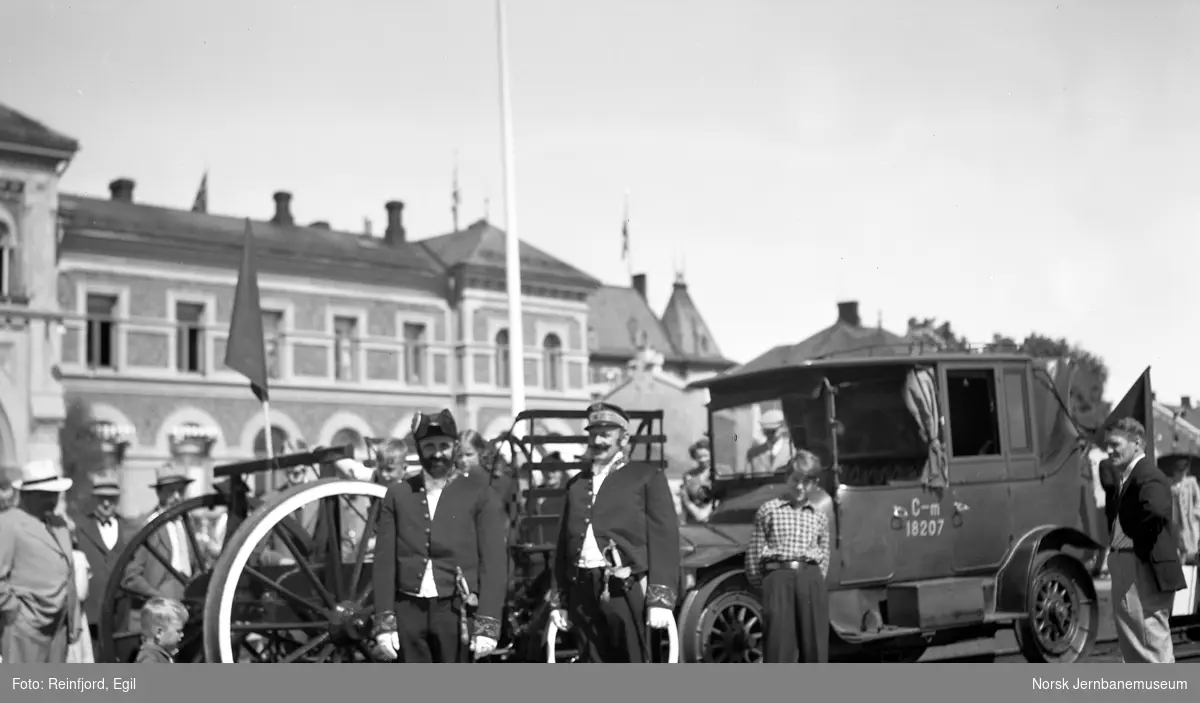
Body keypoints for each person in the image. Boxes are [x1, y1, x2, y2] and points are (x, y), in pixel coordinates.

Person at [549, 402, 681, 663]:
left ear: (624, 438)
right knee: (592, 660)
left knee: (632, 660)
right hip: (582, 588)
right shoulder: (576, 484)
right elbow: (562, 547)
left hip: (625, 587)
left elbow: (664, 539)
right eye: (593, 433)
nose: (597, 440)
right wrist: (560, 601)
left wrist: (661, 598)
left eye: (606, 434)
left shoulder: (646, 476)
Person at [372, 409, 506, 662]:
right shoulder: (398, 494)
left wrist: (488, 622)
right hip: (408, 611)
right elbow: (384, 563)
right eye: (429, 446)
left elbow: (494, 563)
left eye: (444, 445)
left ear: (455, 446)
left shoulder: (480, 494)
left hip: (457, 611)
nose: (437, 453)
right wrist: (384, 621)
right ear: (418, 449)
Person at [1102, 418, 1186, 663]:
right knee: (1138, 646)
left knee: (1150, 648)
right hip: (1130, 566)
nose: (1109, 451)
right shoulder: (1131, 476)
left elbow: (1156, 512)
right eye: (1107, 445)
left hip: (1139, 568)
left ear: (1136, 442)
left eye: (1115, 444)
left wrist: (1131, 541)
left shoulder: (1148, 474)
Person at [745, 449, 831, 663]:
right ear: (787, 478)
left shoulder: (818, 516)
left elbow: (824, 554)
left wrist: (812, 578)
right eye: (795, 480)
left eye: (807, 482)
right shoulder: (769, 510)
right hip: (779, 579)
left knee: (815, 644)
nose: (800, 487)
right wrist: (769, 583)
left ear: (815, 483)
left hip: (810, 579)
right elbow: (755, 555)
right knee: (779, 645)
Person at [0, 459, 82, 663]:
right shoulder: (8, 523)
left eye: (55, 493)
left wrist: (73, 618)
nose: (52, 499)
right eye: (46, 494)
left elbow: (68, 573)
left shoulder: (60, 525)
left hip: (59, 625)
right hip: (24, 627)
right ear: (28, 494)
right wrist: (14, 611)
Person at [72, 469, 135, 658]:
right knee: (93, 655)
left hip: (120, 609)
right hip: (92, 607)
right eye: (101, 498)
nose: (106, 503)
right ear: (94, 499)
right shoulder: (80, 529)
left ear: (117, 500)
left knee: (119, 654)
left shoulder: (129, 530)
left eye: (111, 498)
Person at [122, 464, 197, 602]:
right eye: (170, 491)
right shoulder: (148, 529)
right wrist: (156, 596)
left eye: (181, 491)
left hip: (189, 601)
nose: (176, 497)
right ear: (159, 493)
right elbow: (131, 577)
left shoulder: (188, 525)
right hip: (160, 605)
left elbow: (197, 566)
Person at [135, 596, 188, 663]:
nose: (182, 635)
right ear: (159, 632)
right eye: (178, 631)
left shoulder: (158, 654)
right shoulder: (150, 658)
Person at [679, 438, 716, 524]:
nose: (702, 460)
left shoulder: (720, 472)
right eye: (699, 457)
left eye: (705, 456)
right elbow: (684, 498)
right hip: (694, 521)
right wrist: (697, 513)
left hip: (716, 520)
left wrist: (707, 513)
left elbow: (723, 496)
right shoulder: (688, 475)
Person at [745, 409, 793, 475]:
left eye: (772, 431)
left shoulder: (792, 450)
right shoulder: (753, 453)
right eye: (766, 431)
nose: (769, 435)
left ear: (782, 429)